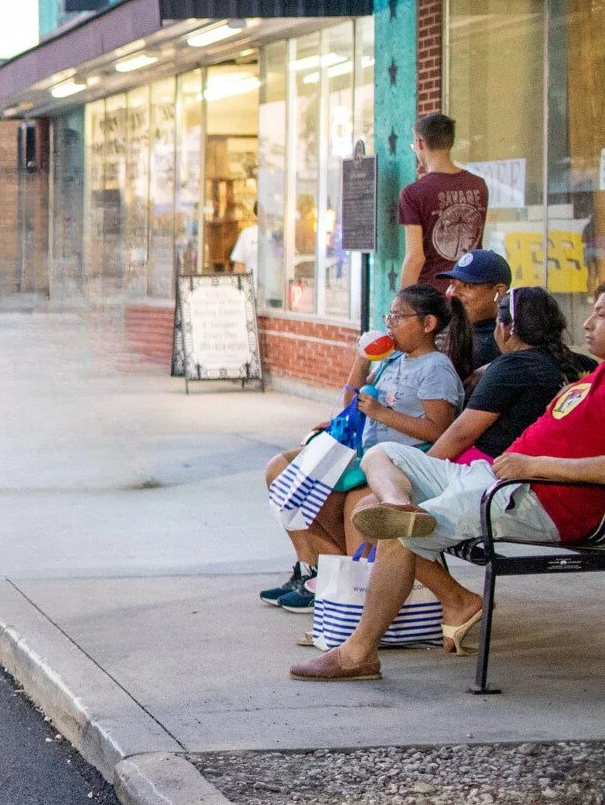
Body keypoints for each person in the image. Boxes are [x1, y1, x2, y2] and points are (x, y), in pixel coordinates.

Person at [293, 287, 605, 678]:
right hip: (497, 478)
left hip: (535, 496)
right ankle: (398, 504)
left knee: (392, 531)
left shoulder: (528, 367)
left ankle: (358, 655)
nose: (588, 323)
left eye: (600, 315)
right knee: (383, 455)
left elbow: (456, 433)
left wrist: (535, 465)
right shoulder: (589, 372)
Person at [258, 284, 472, 612]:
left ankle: (342, 589)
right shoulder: (393, 360)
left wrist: (383, 414)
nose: (390, 324)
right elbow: (350, 404)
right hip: (363, 454)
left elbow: (439, 429)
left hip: (399, 464)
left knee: (353, 507)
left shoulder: (435, 368)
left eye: (399, 318)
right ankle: (317, 573)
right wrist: (362, 359)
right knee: (287, 478)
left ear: (428, 324)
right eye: (390, 316)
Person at [428, 286, 587, 463]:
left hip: (491, 467)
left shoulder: (514, 365)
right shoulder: (581, 363)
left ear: (505, 328)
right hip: (541, 466)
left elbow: (461, 434)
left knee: (392, 453)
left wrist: (423, 467)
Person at [398, 112, 488, 290]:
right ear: (450, 142)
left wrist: (402, 306)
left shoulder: (413, 193)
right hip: (471, 291)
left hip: (433, 296)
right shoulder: (479, 185)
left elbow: (415, 257)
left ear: (420, 143)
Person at [435, 247, 511, 371]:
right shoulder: (440, 327)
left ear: (499, 291)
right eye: (452, 284)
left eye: (466, 286)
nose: (453, 293)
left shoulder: (508, 339)